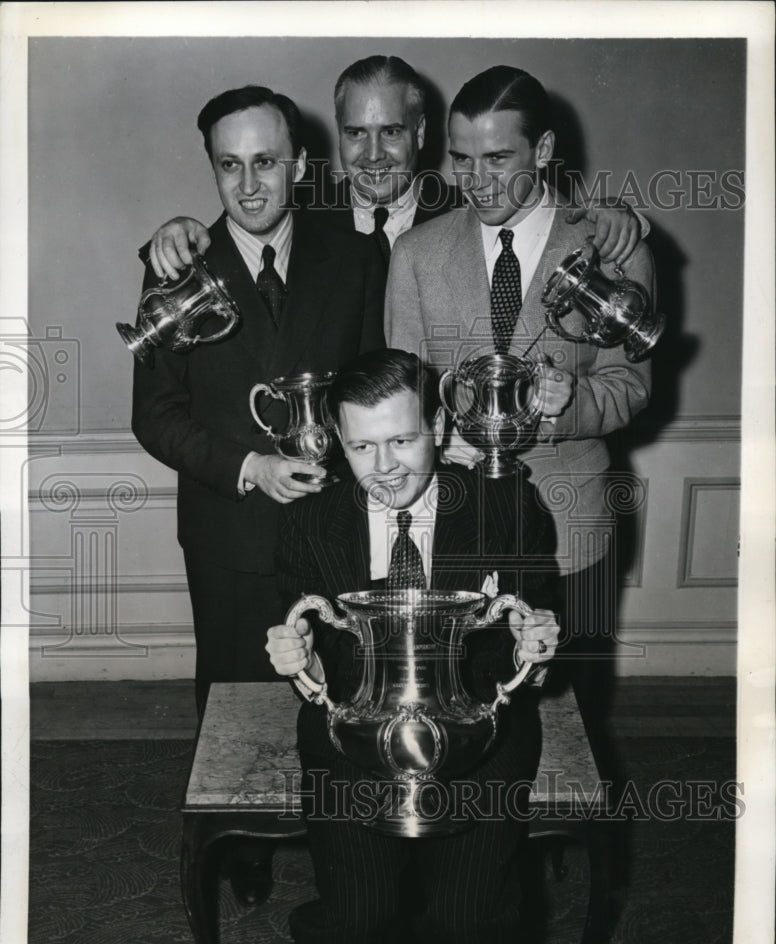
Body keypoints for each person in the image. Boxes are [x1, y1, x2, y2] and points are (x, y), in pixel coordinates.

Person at [130, 84, 384, 901]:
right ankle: (240, 852)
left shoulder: (355, 252)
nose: (248, 185)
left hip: (337, 529)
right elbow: (154, 416)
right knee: (236, 697)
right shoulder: (174, 263)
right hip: (230, 532)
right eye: (229, 165)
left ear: (300, 164)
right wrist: (250, 468)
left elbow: (381, 383)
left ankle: (342, 845)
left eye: (266, 163)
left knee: (341, 690)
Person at [385, 65, 658, 780]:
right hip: (463, 525)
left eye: (498, 158)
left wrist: (573, 401)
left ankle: (565, 864)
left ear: (542, 150)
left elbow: (631, 387)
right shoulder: (416, 254)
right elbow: (405, 398)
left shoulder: (611, 245)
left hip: (574, 524)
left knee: (571, 714)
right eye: (461, 158)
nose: (477, 179)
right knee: (464, 712)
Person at [265, 348, 560, 944]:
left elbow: (534, 636)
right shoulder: (309, 522)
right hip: (352, 736)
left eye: (402, 440)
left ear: (441, 428)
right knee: (356, 923)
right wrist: (302, 661)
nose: (385, 468)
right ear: (339, 443)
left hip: (483, 734)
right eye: (362, 447)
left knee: (471, 922)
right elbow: (320, 664)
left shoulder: (505, 507)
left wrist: (536, 644)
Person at [141, 56, 643, 281]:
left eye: (392, 131)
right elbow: (241, 219)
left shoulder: (466, 210)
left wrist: (619, 215)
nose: (373, 153)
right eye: (356, 132)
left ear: (421, 135)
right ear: (337, 134)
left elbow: (537, 215)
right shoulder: (301, 214)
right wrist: (180, 229)